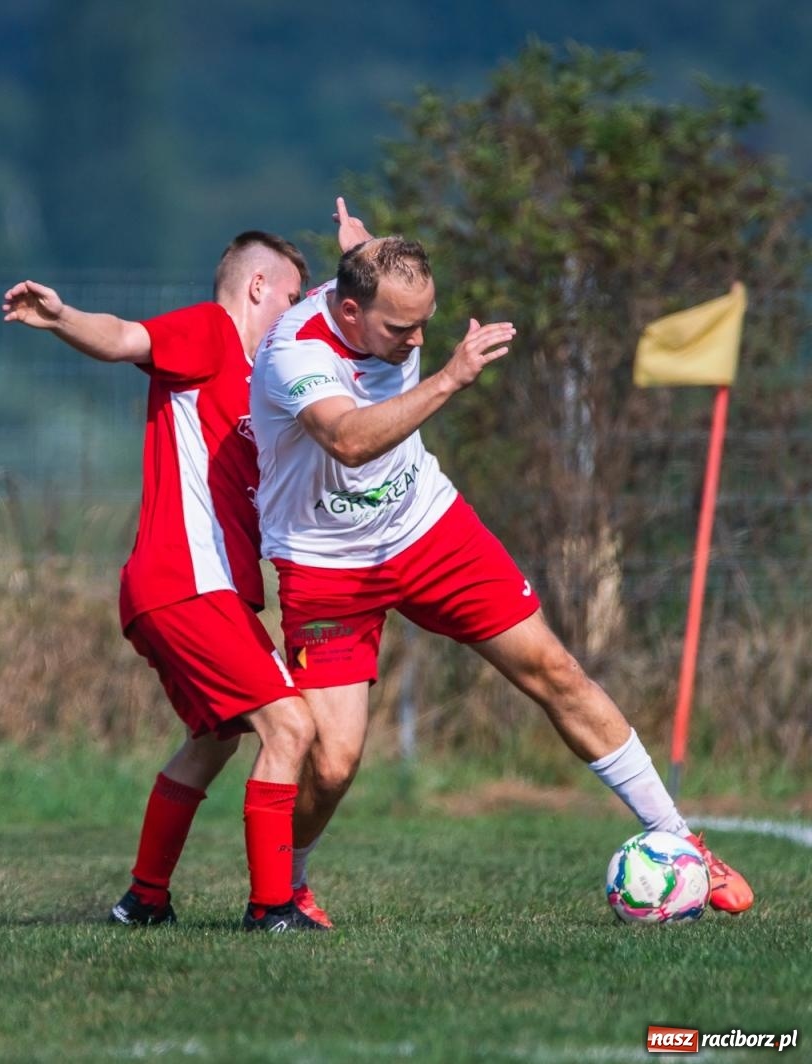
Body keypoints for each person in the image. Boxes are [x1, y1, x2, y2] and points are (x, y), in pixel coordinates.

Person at [247, 203, 754, 925]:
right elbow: (351, 440)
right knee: (331, 764)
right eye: (402, 330)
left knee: (555, 669)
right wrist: (449, 377)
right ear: (350, 313)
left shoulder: (376, 294)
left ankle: (680, 839)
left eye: (427, 324)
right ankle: (284, 888)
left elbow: (367, 263)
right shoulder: (294, 350)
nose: (419, 339)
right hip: (328, 564)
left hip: (426, 527)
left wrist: (357, 240)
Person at [3, 230, 323, 933]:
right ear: (258, 287)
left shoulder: (257, 378)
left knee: (215, 737)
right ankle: (271, 908)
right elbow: (124, 338)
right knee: (290, 723)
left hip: (190, 589)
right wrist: (62, 318)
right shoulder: (212, 332)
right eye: (292, 297)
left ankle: (144, 898)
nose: (296, 313)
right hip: (187, 582)